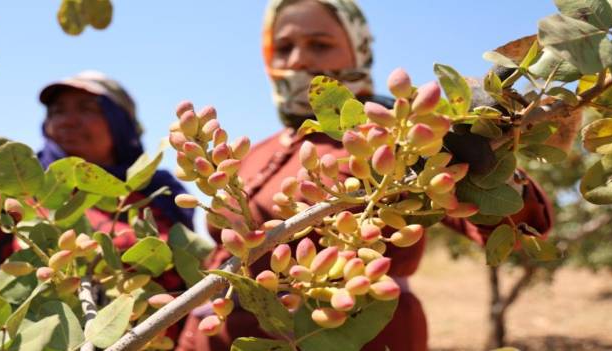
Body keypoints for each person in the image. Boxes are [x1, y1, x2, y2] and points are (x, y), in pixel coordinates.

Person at [177, 1, 554, 350]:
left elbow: (519, 230)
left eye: (320, 44)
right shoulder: (254, 151)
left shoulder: (401, 141)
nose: (298, 59)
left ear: (359, 48)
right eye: (284, 47)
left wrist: (493, 162)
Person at [0, 71, 194, 297]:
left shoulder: (159, 194)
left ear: (120, 123)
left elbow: (183, 281)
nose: (68, 120)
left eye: (87, 108)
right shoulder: (12, 179)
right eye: (58, 111)